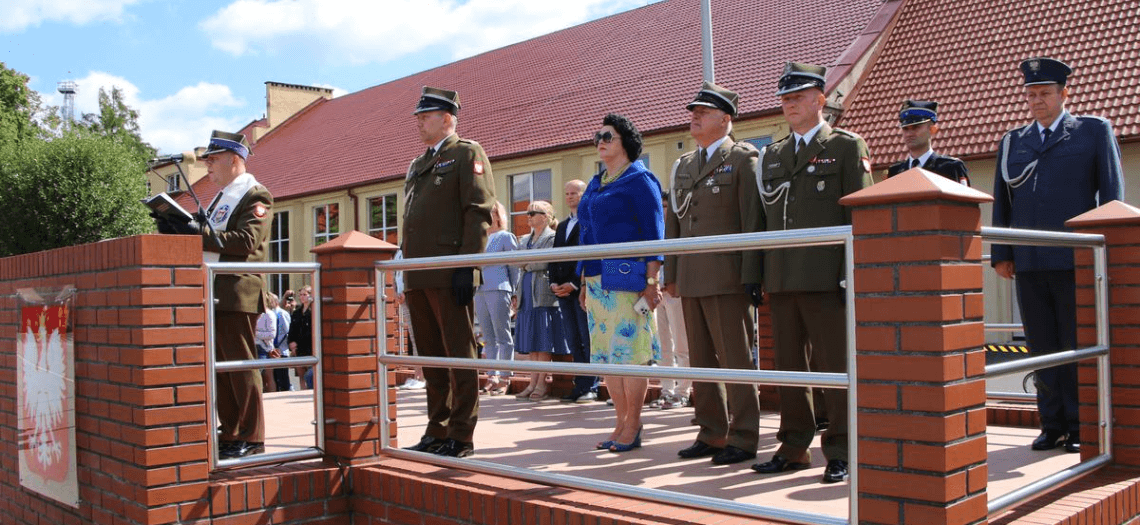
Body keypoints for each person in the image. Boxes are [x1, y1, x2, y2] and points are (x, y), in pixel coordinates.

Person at [991, 57, 1123, 454]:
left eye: (1045, 93)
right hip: (1029, 262)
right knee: (1042, 346)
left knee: (1076, 344)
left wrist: (1106, 251)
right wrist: (1002, 252)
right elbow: (1004, 201)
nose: (1037, 101)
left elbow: (1111, 196)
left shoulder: (1092, 131)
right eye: (1031, 94)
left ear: (1065, 94)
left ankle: (1081, 423)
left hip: (1074, 260)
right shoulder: (1013, 141)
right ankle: (1052, 424)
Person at [753, 63, 872, 483]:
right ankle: (793, 445)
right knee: (788, 368)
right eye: (784, 99)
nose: (789, 105)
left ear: (820, 100)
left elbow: (858, 216)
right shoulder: (773, 154)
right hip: (782, 277)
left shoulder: (845, 146)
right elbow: (762, 222)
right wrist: (758, 275)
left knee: (834, 366)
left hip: (827, 278)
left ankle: (841, 449)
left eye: (798, 97)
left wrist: (850, 275)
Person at [665, 81, 763, 466]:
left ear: (725, 119)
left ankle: (744, 435)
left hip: (728, 276)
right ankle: (712, 430)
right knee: (701, 359)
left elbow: (752, 222)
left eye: (702, 112)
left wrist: (752, 275)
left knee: (737, 359)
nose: (694, 117)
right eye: (694, 112)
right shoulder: (684, 165)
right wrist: (671, 272)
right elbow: (674, 222)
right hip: (690, 275)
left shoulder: (742, 159)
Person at [400, 86, 495, 458]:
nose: (420, 122)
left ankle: (461, 433)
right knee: (433, 357)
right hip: (419, 273)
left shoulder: (466, 153)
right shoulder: (418, 163)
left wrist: (466, 265)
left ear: (448, 119)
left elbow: (478, 212)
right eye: (419, 117)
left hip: (448, 270)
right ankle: (436, 428)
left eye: (427, 116)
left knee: (458, 354)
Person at [577, 113, 664, 453]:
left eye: (608, 136)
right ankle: (620, 420)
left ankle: (634, 422)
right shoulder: (596, 183)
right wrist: (584, 279)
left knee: (631, 353)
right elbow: (586, 235)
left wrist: (653, 279)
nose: (600, 140)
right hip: (597, 278)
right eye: (598, 135)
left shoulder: (640, 180)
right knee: (606, 355)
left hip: (629, 277)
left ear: (626, 142)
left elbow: (655, 234)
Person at [199, 129, 274, 459]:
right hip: (216, 291)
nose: (208, 168)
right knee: (222, 368)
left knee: (241, 366)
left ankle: (251, 435)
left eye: (213, 161)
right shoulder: (222, 197)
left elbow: (246, 240)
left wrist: (198, 233)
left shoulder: (255, 195)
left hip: (237, 292)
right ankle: (230, 431)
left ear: (234, 160)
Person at [512, 200, 567, 401]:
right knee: (532, 341)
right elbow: (517, 262)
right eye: (528, 212)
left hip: (542, 293)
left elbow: (545, 262)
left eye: (534, 212)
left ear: (545, 216)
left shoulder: (552, 237)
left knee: (542, 340)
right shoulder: (525, 239)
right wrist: (527, 263)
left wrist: (527, 263)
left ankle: (542, 383)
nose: (529, 216)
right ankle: (533, 381)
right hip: (527, 293)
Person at [551, 179, 599, 404]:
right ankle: (579, 385)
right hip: (562, 292)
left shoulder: (589, 222)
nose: (570, 196)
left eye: (575, 193)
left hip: (581, 288)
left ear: (584, 195)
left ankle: (592, 385)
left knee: (586, 337)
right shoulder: (561, 226)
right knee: (572, 338)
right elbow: (554, 258)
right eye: (567, 193)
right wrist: (553, 283)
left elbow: (587, 255)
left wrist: (574, 283)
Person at [474, 201, 518, 395]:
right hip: (480, 290)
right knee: (487, 336)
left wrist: (514, 291)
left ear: (499, 216)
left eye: (490, 213)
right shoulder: (479, 238)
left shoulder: (505, 237)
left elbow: (514, 266)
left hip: (499, 288)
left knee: (503, 335)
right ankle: (492, 376)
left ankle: (506, 377)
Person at [885, 100, 970, 185]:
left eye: (915, 127)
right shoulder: (895, 172)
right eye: (905, 129)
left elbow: (964, 197)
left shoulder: (950, 167)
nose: (909, 134)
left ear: (932, 129)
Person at [391, 250, 426, 390]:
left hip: (412, 295)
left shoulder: (413, 247)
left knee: (420, 336)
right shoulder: (399, 252)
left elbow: (414, 272)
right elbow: (394, 274)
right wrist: (395, 292)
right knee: (413, 336)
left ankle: (423, 376)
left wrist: (406, 290)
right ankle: (417, 375)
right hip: (402, 297)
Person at [287, 285, 314, 390]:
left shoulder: (314, 311)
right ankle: (303, 391)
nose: (302, 297)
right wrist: (291, 343)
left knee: (310, 375)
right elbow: (292, 329)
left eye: (305, 294)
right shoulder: (297, 312)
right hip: (299, 349)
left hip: (310, 347)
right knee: (301, 375)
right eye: (300, 295)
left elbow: (312, 331)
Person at [255, 295, 280, 392]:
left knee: (268, 377)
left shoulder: (269, 314)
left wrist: (255, 333)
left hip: (265, 349)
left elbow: (272, 334)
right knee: (259, 377)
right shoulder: (256, 313)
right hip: (254, 346)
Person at [272, 292, 293, 392]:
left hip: (282, 349)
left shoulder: (282, 314)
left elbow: (288, 330)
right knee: (275, 378)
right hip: (272, 350)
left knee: (283, 378)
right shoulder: (270, 313)